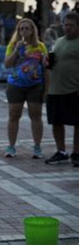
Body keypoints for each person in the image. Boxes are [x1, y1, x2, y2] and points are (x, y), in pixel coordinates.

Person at [3, 18, 49, 158]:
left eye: (27, 28)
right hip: (16, 85)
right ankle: (11, 146)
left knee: (35, 116)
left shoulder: (40, 47)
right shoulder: (13, 46)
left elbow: (46, 68)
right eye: (21, 29)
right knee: (14, 116)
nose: (24, 31)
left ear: (32, 30)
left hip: (35, 85)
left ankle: (37, 147)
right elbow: (7, 64)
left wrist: (47, 89)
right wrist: (16, 50)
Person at [44, 12, 79, 166]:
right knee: (56, 122)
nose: (67, 28)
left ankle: (77, 153)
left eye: (71, 25)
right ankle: (61, 152)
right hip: (55, 89)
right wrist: (47, 62)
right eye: (65, 25)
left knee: (78, 123)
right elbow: (53, 61)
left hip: (74, 90)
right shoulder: (58, 41)